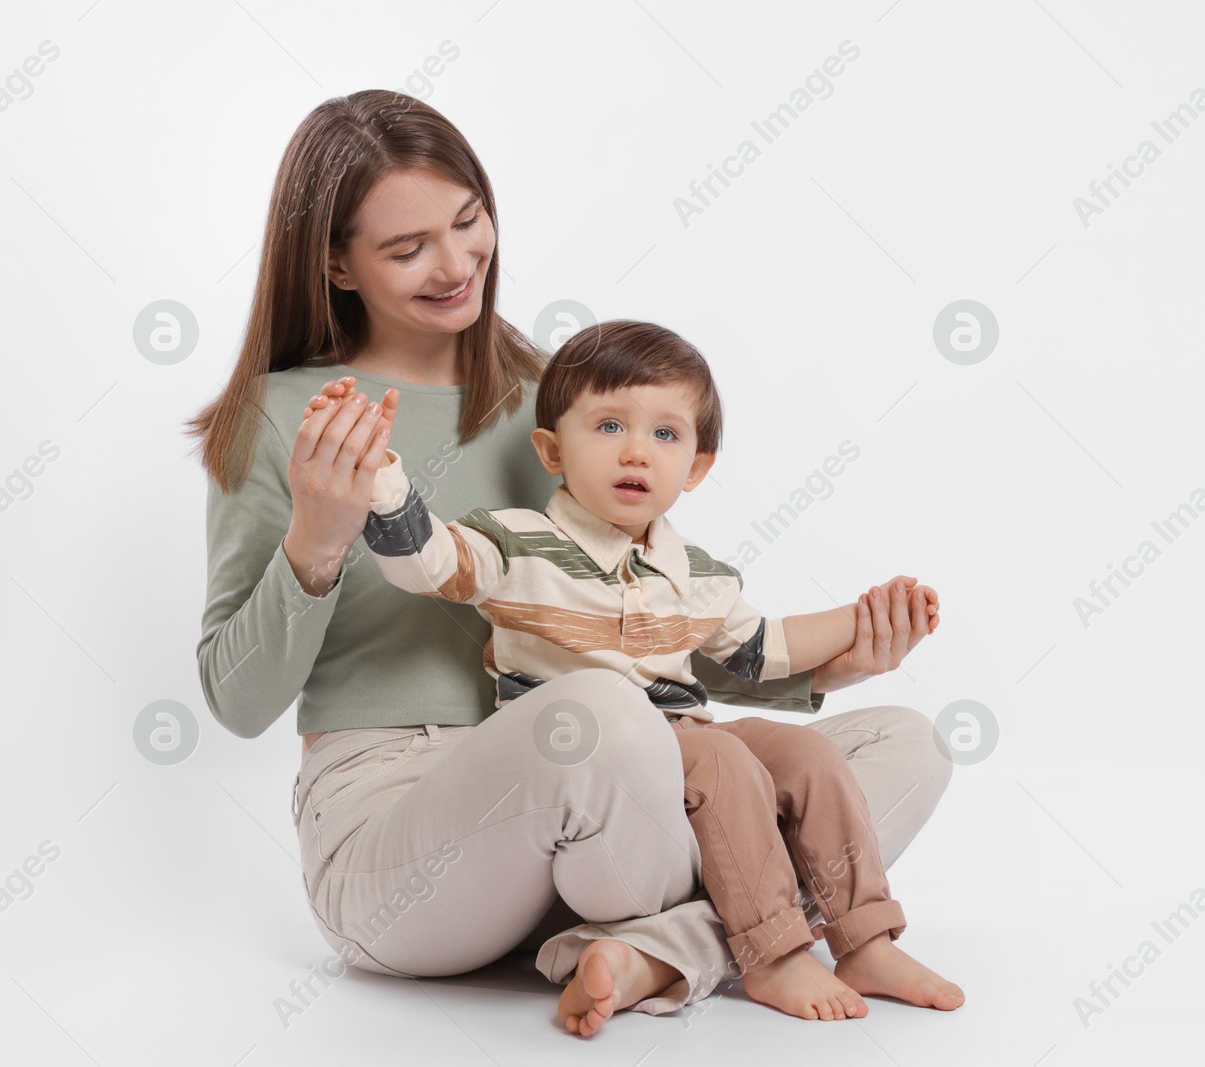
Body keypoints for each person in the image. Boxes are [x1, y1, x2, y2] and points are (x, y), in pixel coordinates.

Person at [184, 88, 950, 1037]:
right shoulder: (282, 417)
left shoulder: (555, 399)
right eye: (407, 246)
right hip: (400, 821)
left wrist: (829, 667)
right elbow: (236, 701)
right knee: (599, 714)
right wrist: (319, 537)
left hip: (617, 796)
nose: (458, 262)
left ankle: (638, 951)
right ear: (335, 262)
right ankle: (718, 940)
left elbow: (637, 626)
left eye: (469, 222)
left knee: (902, 743)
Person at [356, 319, 965, 1020]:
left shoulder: (696, 574)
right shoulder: (517, 541)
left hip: (686, 732)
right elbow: (427, 562)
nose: (637, 451)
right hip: (593, 756)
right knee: (722, 760)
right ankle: (773, 954)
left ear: (698, 466)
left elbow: (763, 649)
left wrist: (865, 618)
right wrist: (380, 477)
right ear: (553, 450)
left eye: (666, 435)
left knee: (806, 753)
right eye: (610, 426)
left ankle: (863, 938)